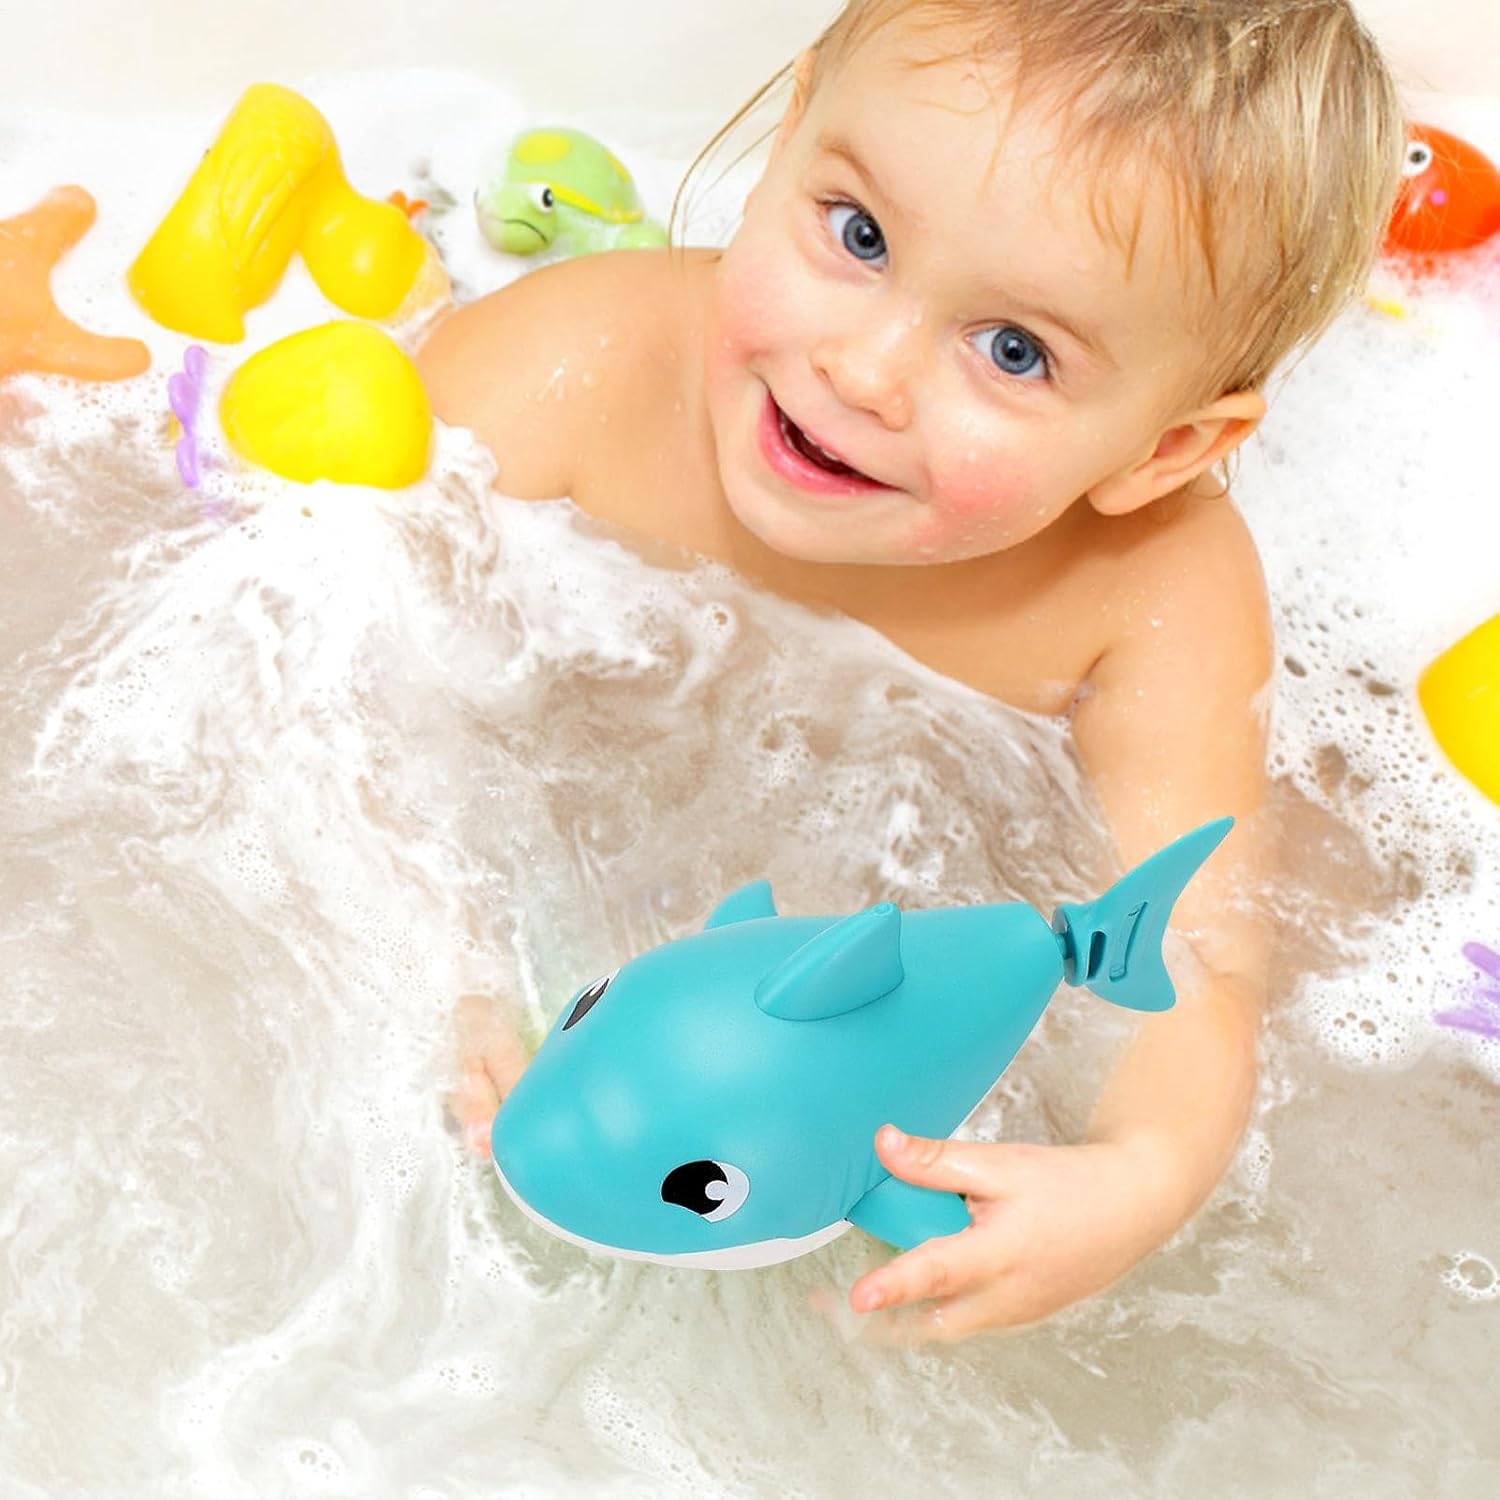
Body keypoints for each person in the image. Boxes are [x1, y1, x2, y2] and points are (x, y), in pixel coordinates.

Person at [420, 0, 1404, 1341]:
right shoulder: (573, 371)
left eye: (1015, 351)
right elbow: (347, 688)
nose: (866, 370)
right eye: (860, 234)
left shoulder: (1156, 594)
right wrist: (452, 963)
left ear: (1164, 450)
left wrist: (1138, 1177)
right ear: (790, 129)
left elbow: (1204, 947)